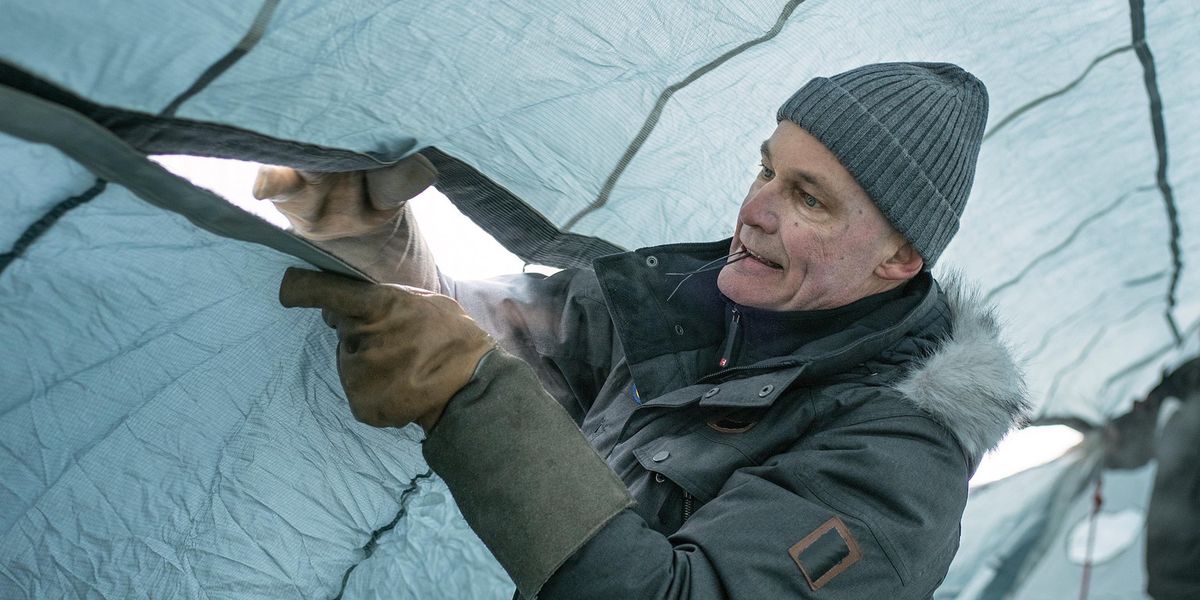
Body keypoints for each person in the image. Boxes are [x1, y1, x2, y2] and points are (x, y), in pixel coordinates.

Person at [256, 62, 1028, 599]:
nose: (755, 210)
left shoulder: (896, 468)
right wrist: (380, 244)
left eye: (809, 199)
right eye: (766, 170)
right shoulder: (689, 310)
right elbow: (496, 345)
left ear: (898, 258)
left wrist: (467, 398)